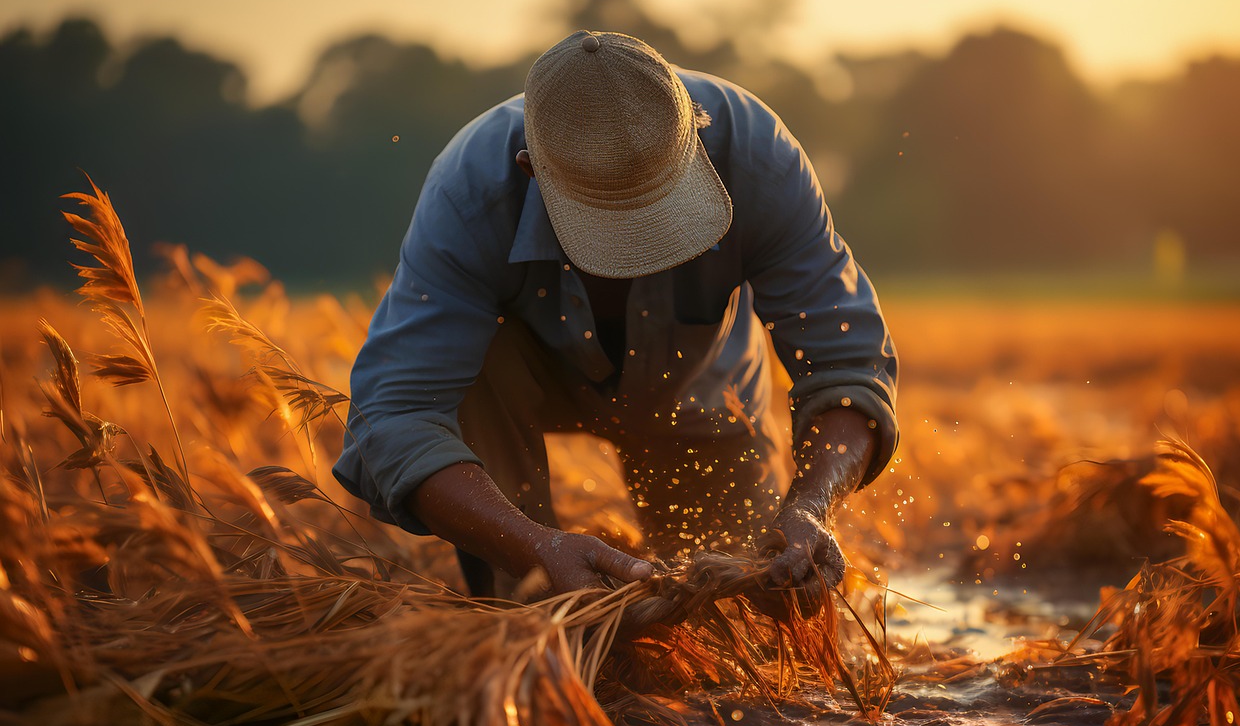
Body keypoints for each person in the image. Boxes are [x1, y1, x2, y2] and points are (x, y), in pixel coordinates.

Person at [334, 30, 898, 609]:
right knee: (545, 617)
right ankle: (530, 605)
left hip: (702, 382)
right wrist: (532, 547)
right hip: (515, 381)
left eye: (662, 214)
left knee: (747, 609)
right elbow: (398, 415)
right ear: (532, 171)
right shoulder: (469, 192)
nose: (638, 254)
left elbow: (847, 360)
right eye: (609, 226)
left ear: (697, 134)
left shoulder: (758, 156)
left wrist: (810, 504)